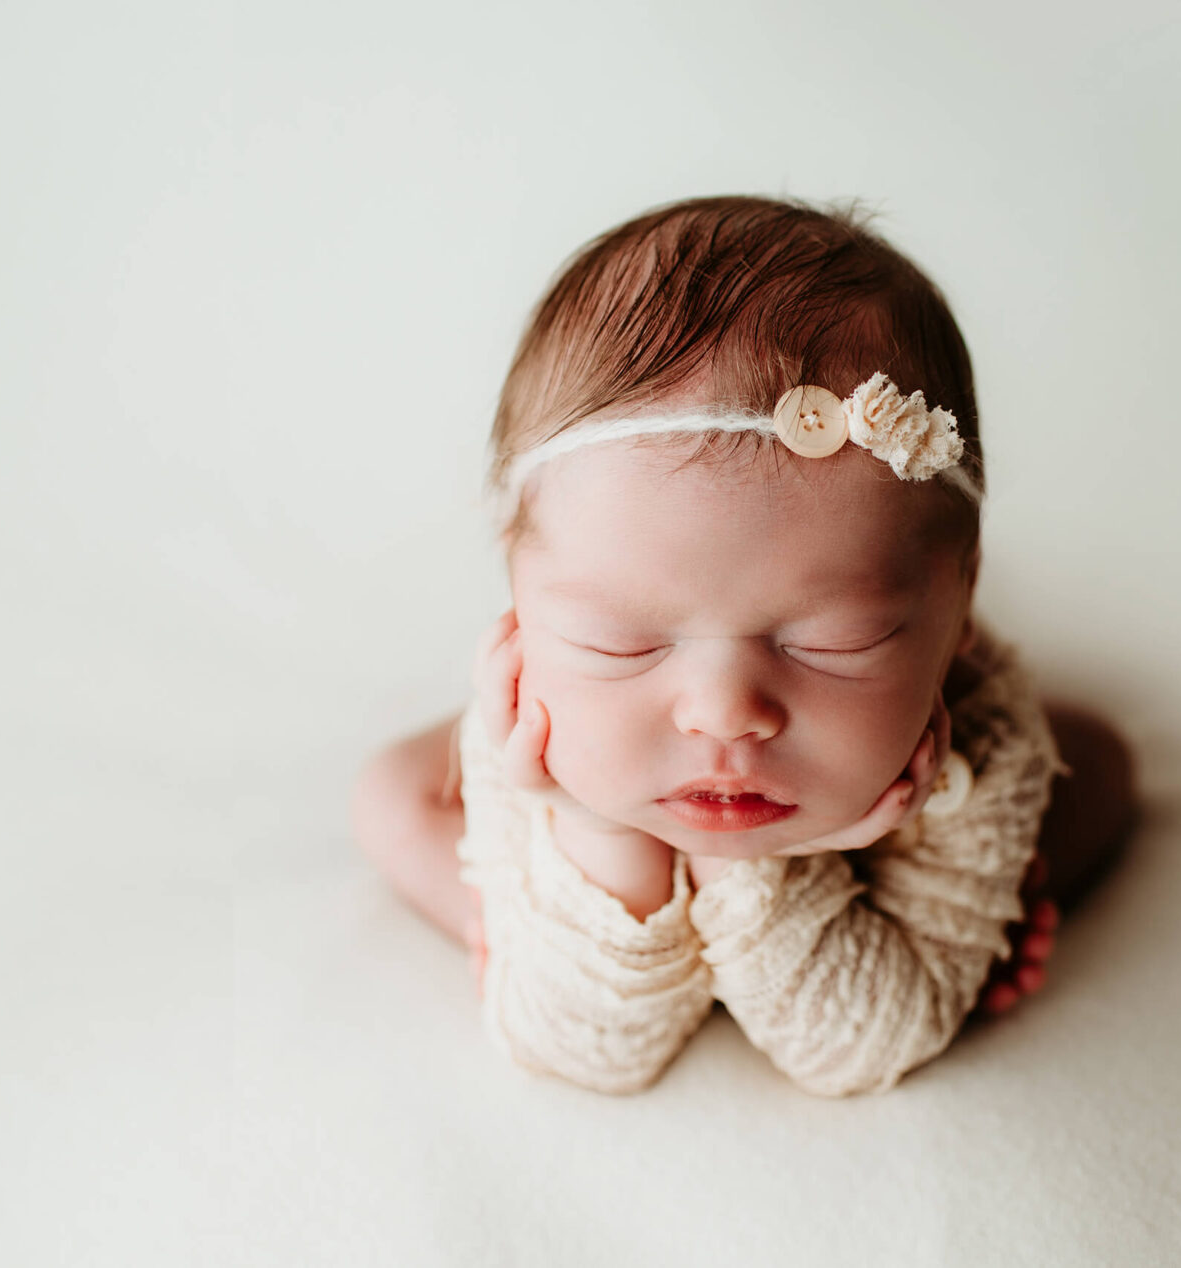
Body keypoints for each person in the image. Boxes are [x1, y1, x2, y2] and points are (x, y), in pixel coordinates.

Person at [354, 195, 1138, 1096]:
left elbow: (861, 1049)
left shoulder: (977, 745)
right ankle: (530, 927)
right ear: (522, 602)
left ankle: (969, 911)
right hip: (588, 831)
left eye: (834, 641)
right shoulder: (537, 727)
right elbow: (588, 1053)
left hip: (874, 882)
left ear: (959, 603)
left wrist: (761, 869)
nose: (724, 712)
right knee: (391, 795)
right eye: (624, 642)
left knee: (1099, 769)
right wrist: (597, 831)